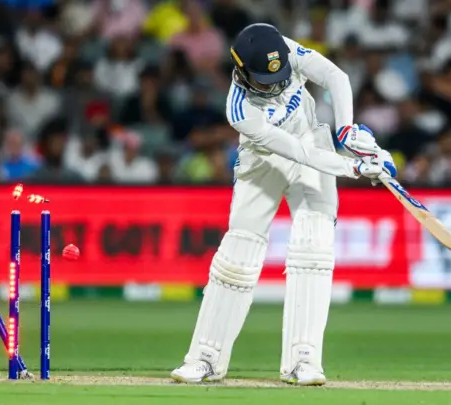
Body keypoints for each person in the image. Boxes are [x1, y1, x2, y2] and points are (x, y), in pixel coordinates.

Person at [170, 23, 397, 386]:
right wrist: (352, 166)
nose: (276, 86)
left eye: (281, 77)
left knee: (315, 248)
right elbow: (299, 154)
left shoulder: (284, 49)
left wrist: (346, 130)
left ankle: (303, 361)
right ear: (241, 71)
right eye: (264, 80)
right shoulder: (239, 108)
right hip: (265, 159)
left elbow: (335, 77)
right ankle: (205, 358)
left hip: (313, 138)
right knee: (237, 255)